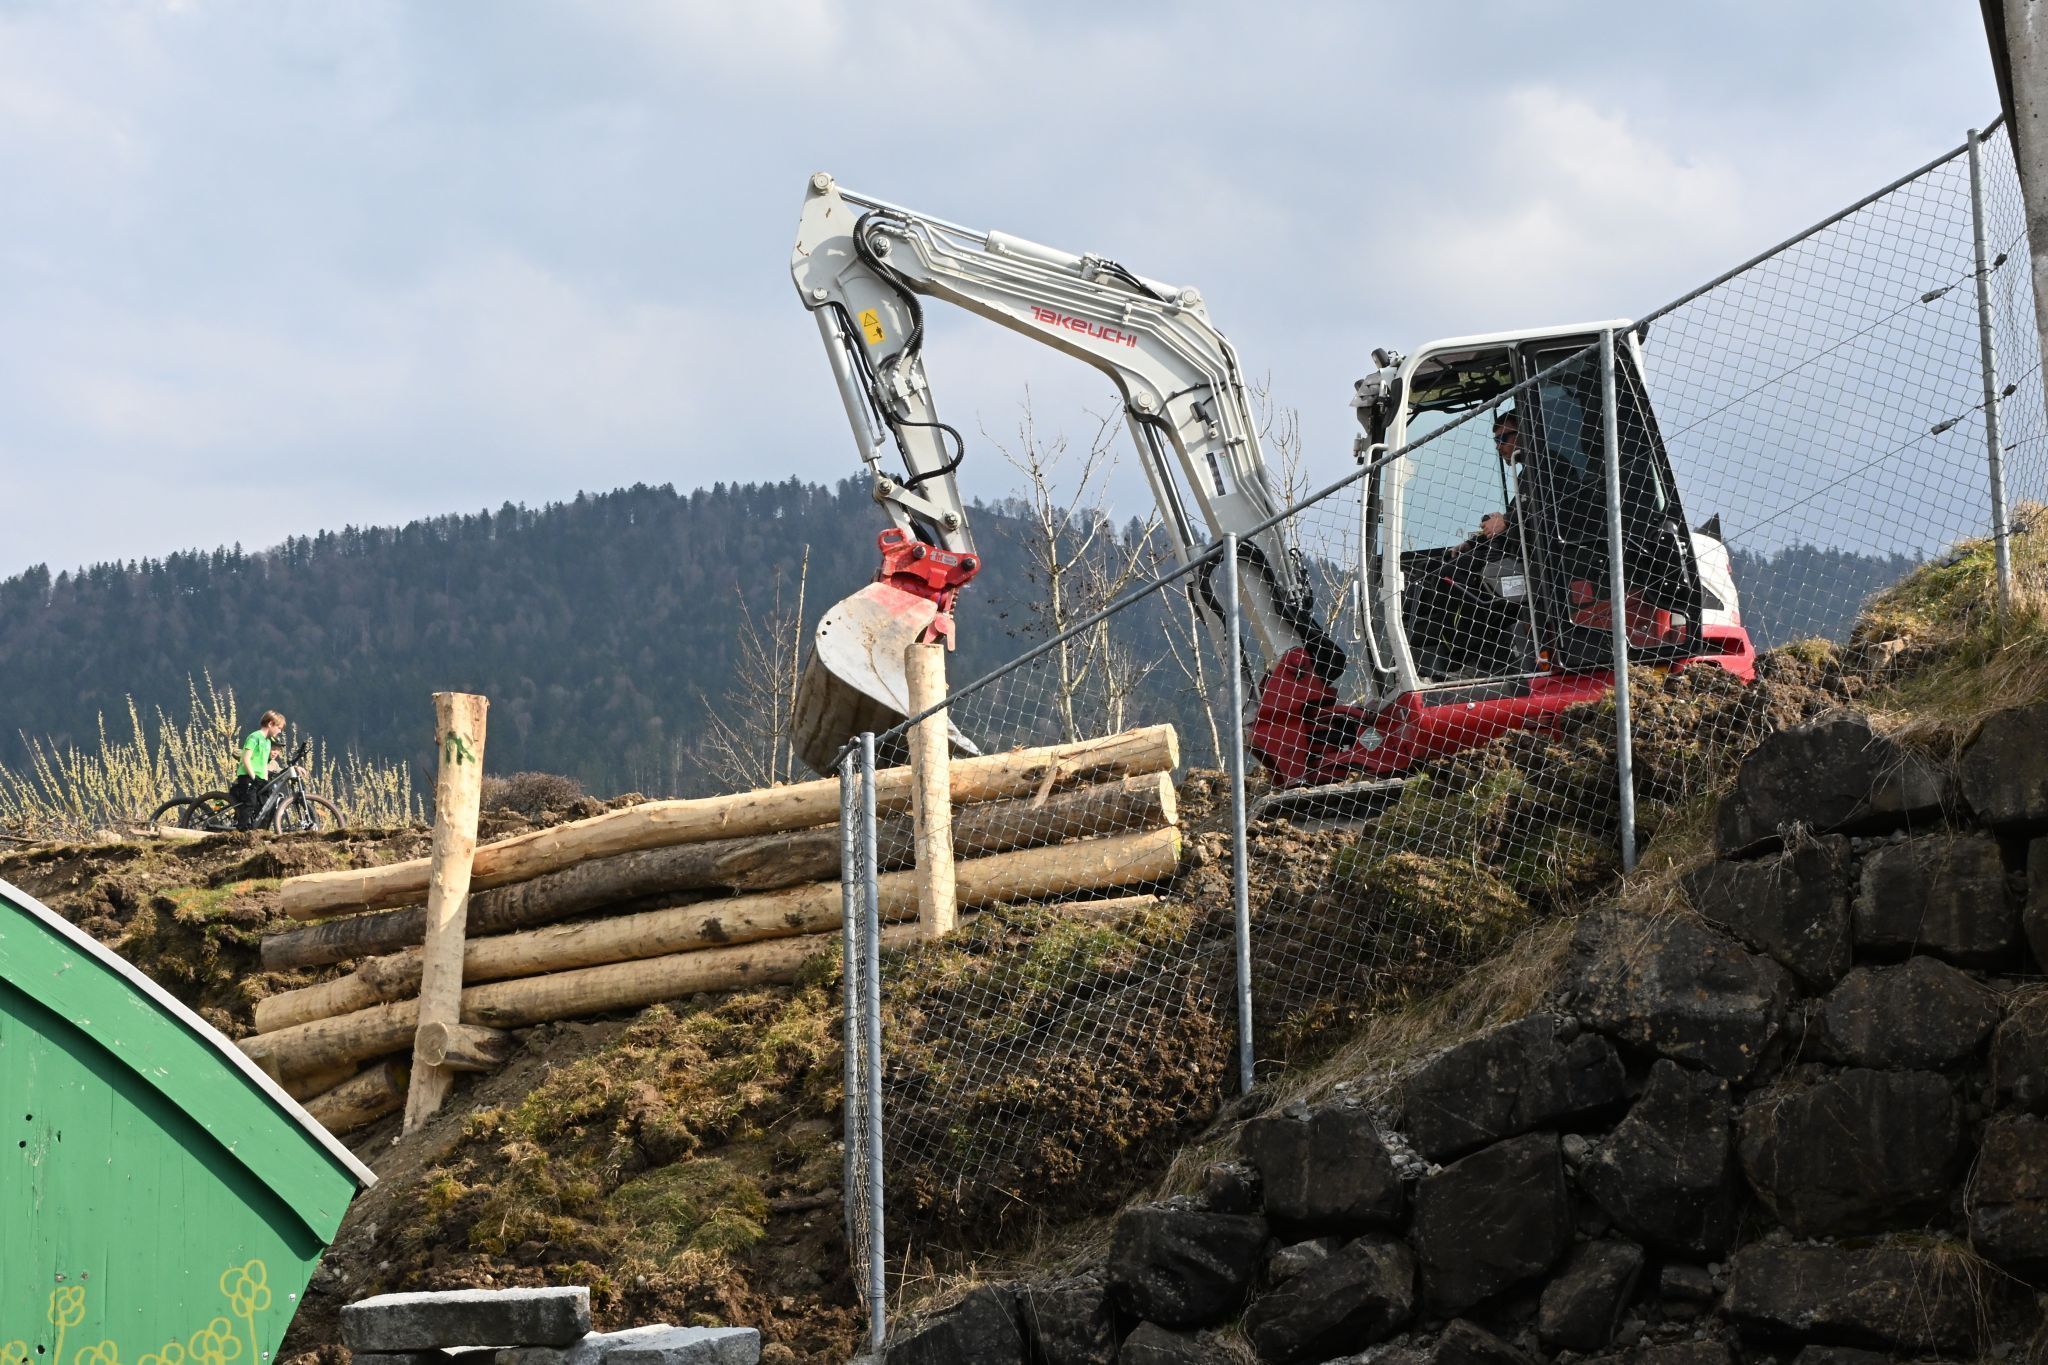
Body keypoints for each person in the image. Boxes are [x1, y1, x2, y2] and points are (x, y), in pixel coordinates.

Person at [232, 711, 286, 827]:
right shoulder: (254, 737)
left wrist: (265, 780)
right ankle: (241, 831)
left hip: (260, 778)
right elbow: (246, 759)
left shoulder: (267, 742)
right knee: (250, 803)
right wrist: (253, 777)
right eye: (279, 728)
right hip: (248, 776)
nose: (280, 731)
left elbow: (263, 764)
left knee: (266, 805)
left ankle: (261, 832)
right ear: (271, 724)